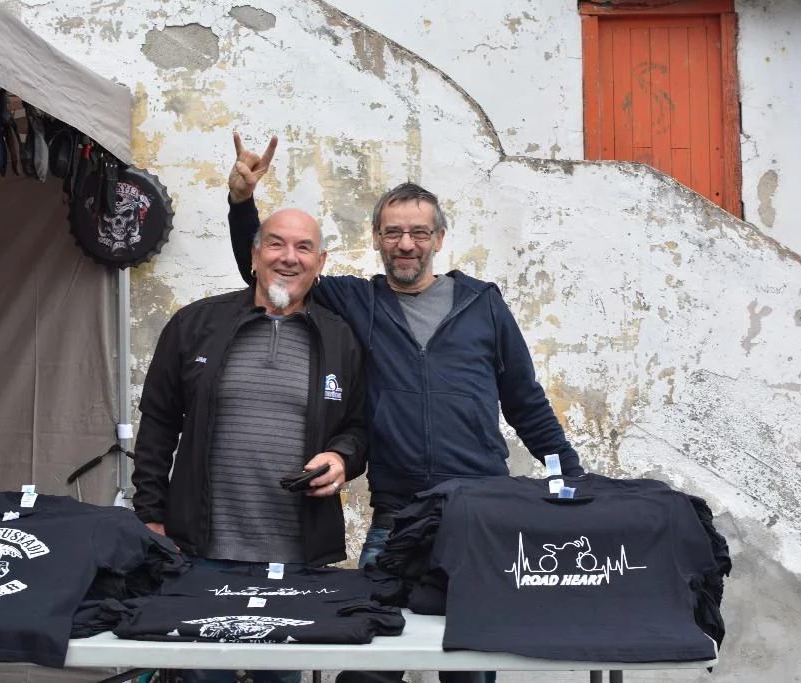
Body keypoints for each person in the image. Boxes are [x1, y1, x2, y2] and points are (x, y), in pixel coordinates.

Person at [226, 134, 585, 683]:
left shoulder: (483, 304)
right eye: (393, 232)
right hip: (396, 519)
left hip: (477, 515)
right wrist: (241, 203)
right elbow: (272, 274)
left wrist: (569, 479)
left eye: (419, 232)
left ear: (438, 239)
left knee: (470, 666)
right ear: (376, 239)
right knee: (371, 663)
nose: (406, 244)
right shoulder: (356, 301)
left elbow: (525, 401)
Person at [132, 207, 368, 683]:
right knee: (202, 677)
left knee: (278, 678)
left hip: (294, 557)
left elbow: (360, 427)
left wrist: (342, 457)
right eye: (276, 244)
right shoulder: (196, 324)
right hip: (200, 552)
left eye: (304, 248)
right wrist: (151, 516)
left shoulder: (341, 339)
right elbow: (158, 424)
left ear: (320, 263)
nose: (289, 257)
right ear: (255, 255)